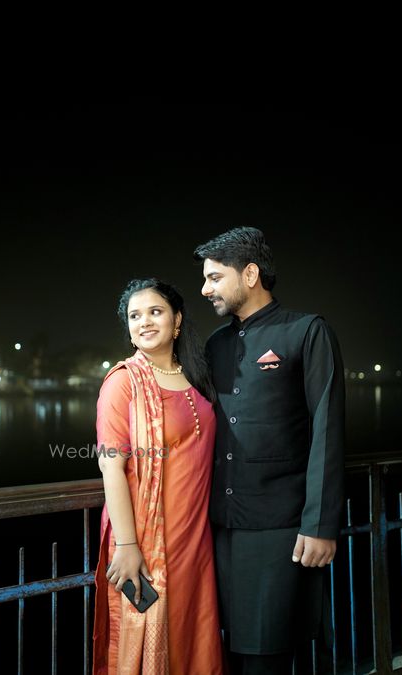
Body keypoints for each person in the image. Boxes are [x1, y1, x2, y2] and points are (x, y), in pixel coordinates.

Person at [193, 227, 345, 675]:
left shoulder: (307, 331)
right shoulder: (216, 345)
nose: (205, 289)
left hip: (281, 529)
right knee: (225, 652)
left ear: (250, 274)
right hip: (219, 527)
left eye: (215, 278)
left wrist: (320, 526)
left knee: (268, 655)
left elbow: (327, 430)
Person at [92, 279, 224, 674]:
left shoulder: (196, 376)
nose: (144, 321)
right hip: (151, 545)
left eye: (155, 312)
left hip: (196, 541)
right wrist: (127, 545)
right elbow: (111, 465)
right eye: (134, 316)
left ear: (177, 320)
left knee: (194, 642)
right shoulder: (123, 382)